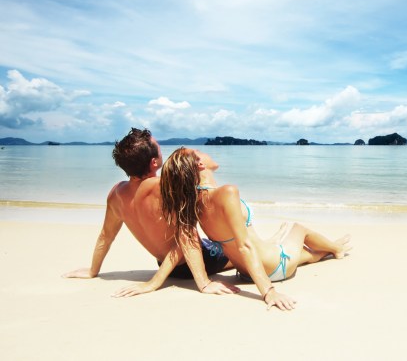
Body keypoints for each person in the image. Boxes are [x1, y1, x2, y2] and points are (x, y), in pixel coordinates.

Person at [159, 147, 351, 311]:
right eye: (200, 152)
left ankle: (329, 249)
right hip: (271, 267)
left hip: (246, 272)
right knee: (295, 227)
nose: (207, 153)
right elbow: (244, 245)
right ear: (200, 164)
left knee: (295, 243)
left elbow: (186, 242)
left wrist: (157, 283)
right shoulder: (226, 193)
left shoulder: (193, 203)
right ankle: (336, 249)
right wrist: (269, 292)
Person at [62, 128, 239, 297]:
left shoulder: (116, 194)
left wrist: (93, 270)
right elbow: (187, 235)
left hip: (167, 264)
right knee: (253, 248)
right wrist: (203, 283)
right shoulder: (162, 187)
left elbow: (106, 236)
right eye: (159, 148)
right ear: (154, 162)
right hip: (201, 259)